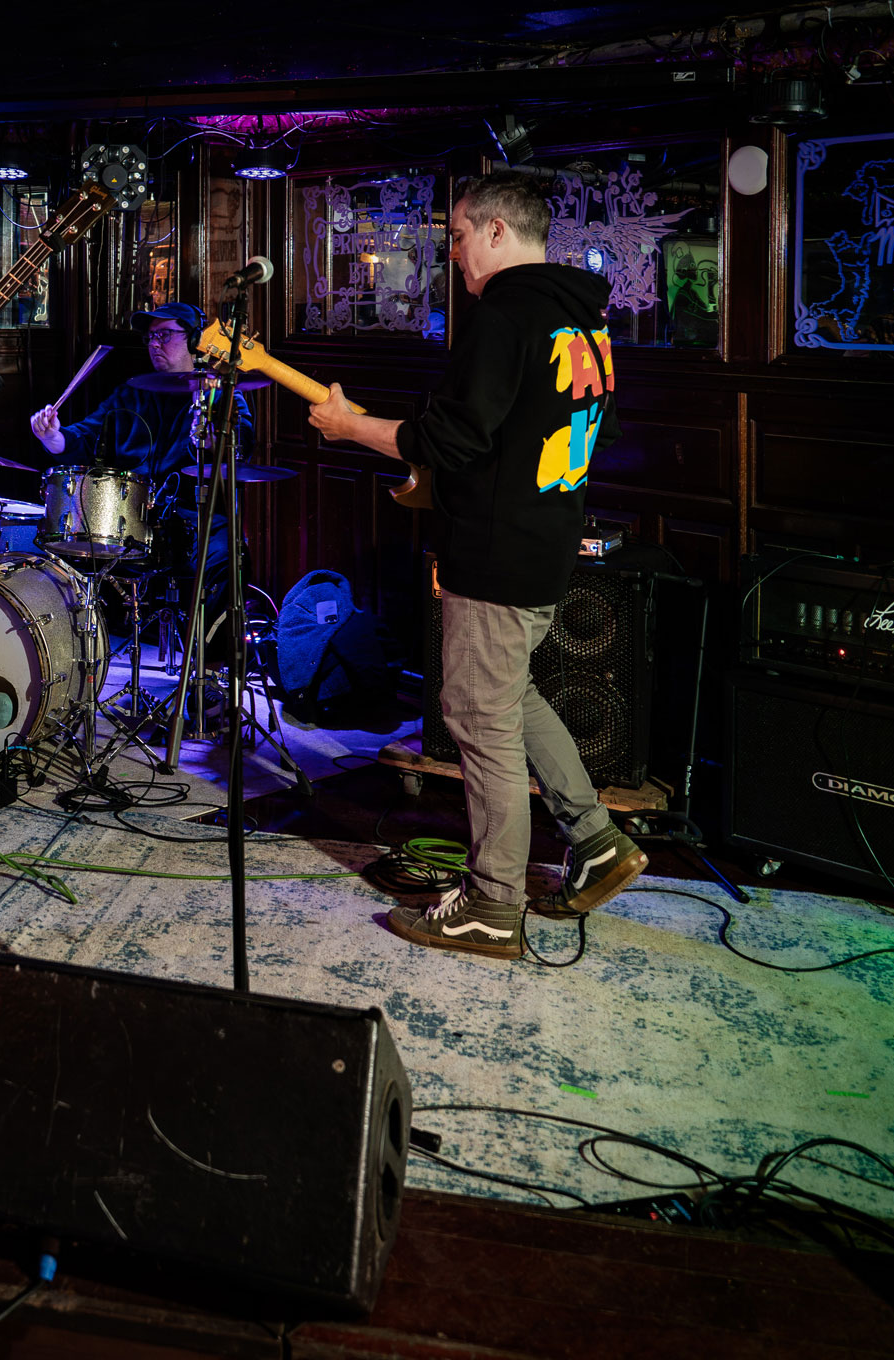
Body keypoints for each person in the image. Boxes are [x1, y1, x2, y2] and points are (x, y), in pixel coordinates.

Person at [308, 169, 645, 960]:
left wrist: (348, 428)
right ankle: (596, 843)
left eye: (459, 235)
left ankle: (493, 904)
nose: (453, 253)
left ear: (497, 231)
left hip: (496, 553)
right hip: (545, 541)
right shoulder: (585, 320)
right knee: (510, 693)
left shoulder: (504, 315)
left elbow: (454, 439)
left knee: (477, 718)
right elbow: (563, 428)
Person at [28, 302, 254, 634]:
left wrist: (212, 439)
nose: (154, 344)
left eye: (164, 335)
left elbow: (242, 445)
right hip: (128, 519)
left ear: (194, 341)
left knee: (226, 557)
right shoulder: (132, 393)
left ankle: (210, 668)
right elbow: (88, 435)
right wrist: (53, 436)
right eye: (150, 337)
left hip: (193, 522)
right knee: (58, 540)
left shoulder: (220, 394)